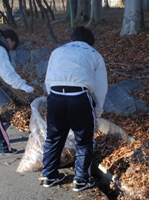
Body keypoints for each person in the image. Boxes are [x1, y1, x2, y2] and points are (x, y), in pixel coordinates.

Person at [42, 26, 108, 191]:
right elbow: (100, 87)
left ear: (72, 39)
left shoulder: (57, 51)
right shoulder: (94, 54)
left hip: (55, 96)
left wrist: (53, 98)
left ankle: (49, 175)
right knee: (84, 140)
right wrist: (97, 112)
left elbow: (48, 79)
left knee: (53, 137)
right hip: (79, 97)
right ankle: (81, 179)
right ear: (90, 43)